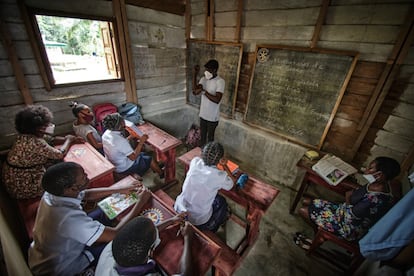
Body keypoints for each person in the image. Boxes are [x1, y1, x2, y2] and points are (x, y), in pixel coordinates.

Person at [28, 161, 151, 275]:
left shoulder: (53, 193)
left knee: (106, 210)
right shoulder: (69, 219)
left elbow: (86, 194)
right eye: (83, 177)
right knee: (123, 245)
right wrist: (140, 202)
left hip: (44, 252)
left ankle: (103, 230)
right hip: (63, 266)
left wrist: (121, 189)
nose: (87, 176)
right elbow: (114, 234)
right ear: (72, 188)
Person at [298, 156, 401, 242]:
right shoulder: (378, 184)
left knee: (303, 210)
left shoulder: (376, 198)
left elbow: (351, 216)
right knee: (307, 201)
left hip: (347, 227)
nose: (366, 170)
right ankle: (320, 229)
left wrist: (348, 197)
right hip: (343, 212)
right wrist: (352, 192)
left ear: (379, 175)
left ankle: (320, 234)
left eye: (370, 168)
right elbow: (359, 193)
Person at [95, 217, 193, 276]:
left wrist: (171, 221)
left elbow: (141, 234)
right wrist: (188, 238)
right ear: (150, 252)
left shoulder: (110, 248)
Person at [174, 141, 236, 232]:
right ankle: (212, 228)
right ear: (220, 160)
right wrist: (225, 165)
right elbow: (232, 183)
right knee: (222, 202)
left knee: (212, 196)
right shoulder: (219, 175)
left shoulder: (195, 161)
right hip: (198, 219)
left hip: (180, 207)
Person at [102, 113, 164, 179]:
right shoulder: (120, 141)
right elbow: (133, 157)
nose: (124, 122)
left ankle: (155, 167)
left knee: (143, 154)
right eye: (123, 121)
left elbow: (117, 146)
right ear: (120, 126)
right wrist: (141, 142)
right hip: (124, 168)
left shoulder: (106, 134)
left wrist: (130, 137)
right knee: (149, 158)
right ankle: (161, 173)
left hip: (116, 164)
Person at [192, 59, 225, 146]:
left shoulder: (220, 82)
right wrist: (195, 74)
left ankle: (209, 156)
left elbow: (217, 99)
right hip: (203, 115)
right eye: (206, 69)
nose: (206, 72)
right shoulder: (204, 79)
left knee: (210, 138)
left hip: (212, 117)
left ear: (215, 70)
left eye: (209, 70)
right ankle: (202, 154)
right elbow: (195, 91)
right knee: (202, 137)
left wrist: (204, 92)